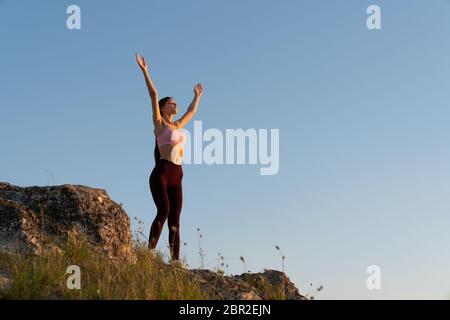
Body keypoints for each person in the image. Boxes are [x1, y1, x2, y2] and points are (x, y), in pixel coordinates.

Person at [136, 52, 203, 263]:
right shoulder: (159, 124)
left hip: (178, 175)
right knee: (163, 210)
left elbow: (192, 111)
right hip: (162, 173)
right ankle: (148, 254)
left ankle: (175, 262)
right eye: (171, 103)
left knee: (176, 218)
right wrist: (145, 71)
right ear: (164, 107)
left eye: (176, 103)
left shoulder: (178, 125)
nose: (175, 105)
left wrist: (197, 95)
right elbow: (154, 95)